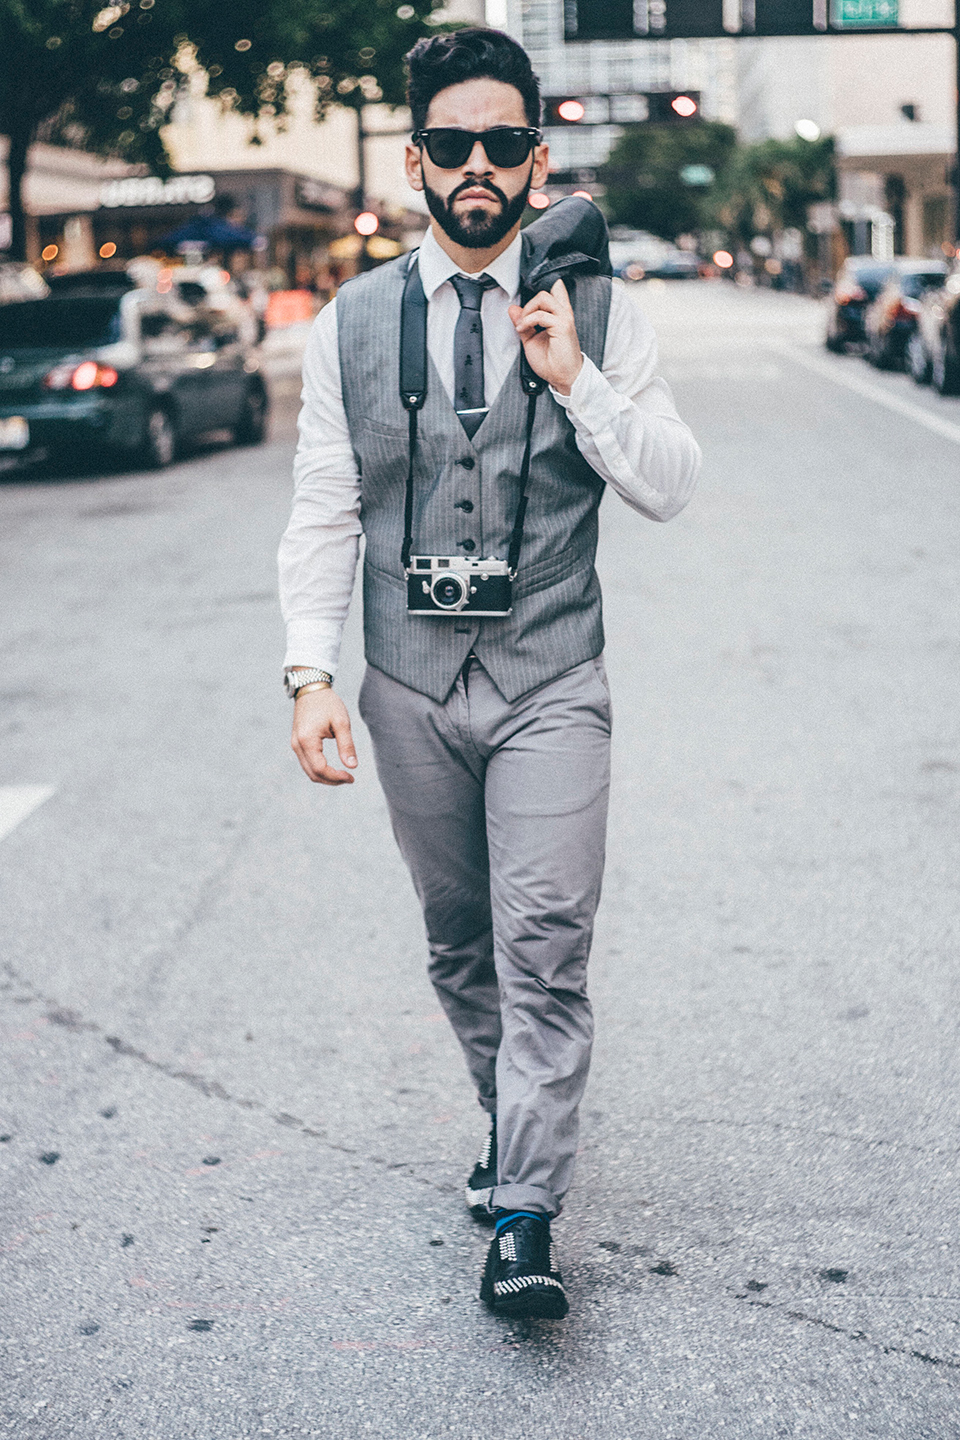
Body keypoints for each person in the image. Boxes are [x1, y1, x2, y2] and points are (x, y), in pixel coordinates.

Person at [278, 27, 700, 1319]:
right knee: (462, 946)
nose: (477, 165)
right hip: (408, 683)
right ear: (415, 160)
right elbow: (325, 508)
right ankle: (506, 1122)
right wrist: (311, 673)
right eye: (451, 144)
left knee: (545, 944)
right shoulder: (346, 326)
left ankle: (525, 1214)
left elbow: (671, 488)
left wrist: (576, 381)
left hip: (551, 673)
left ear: (536, 159)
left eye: (502, 144)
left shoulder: (609, 313)